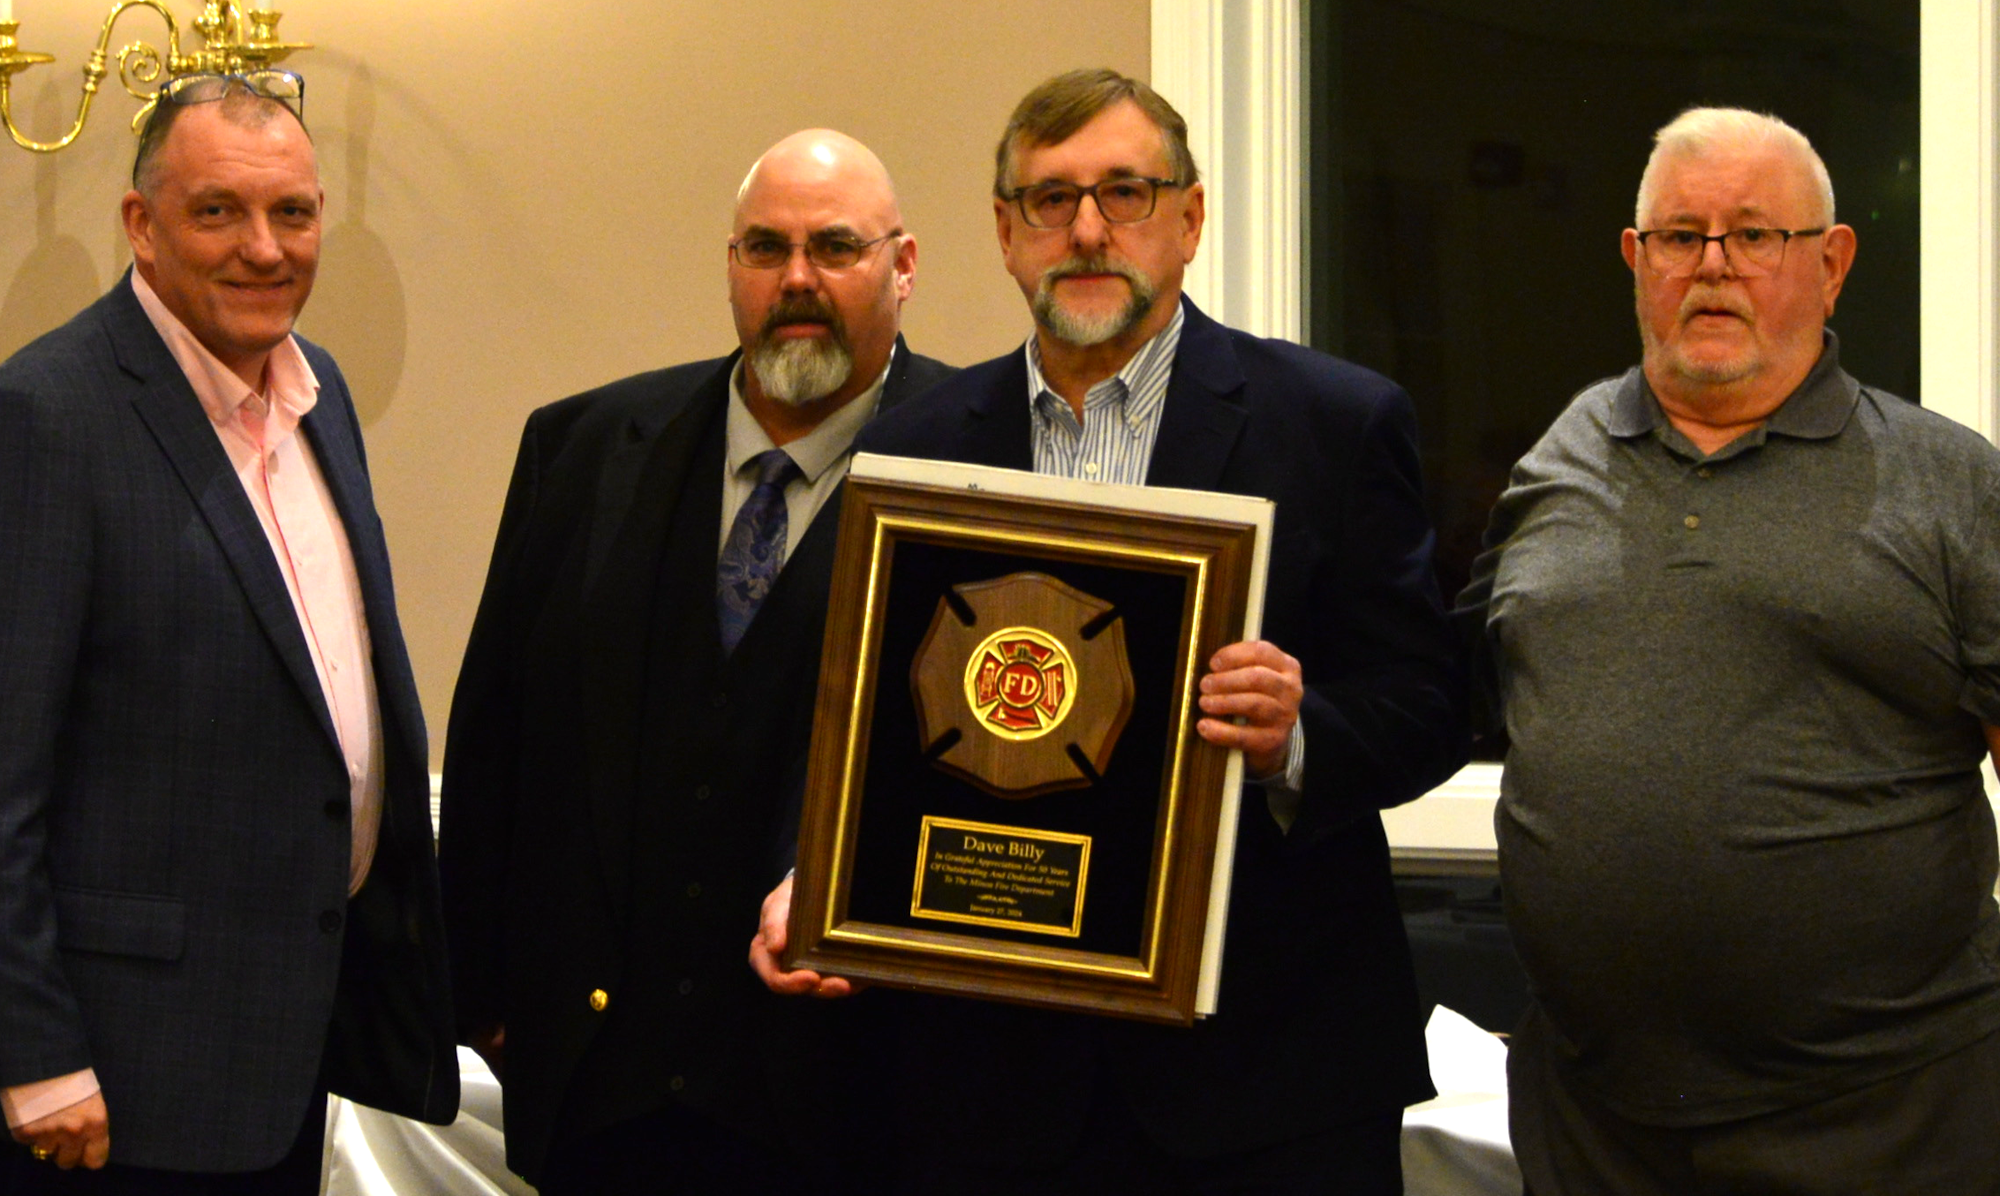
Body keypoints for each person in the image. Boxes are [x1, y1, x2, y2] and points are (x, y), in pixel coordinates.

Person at [752, 70, 1467, 1194]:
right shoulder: (918, 447)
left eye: (1124, 193)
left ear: (1187, 218)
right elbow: (865, 718)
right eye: (1048, 200)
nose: (1086, 230)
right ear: (1002, 233)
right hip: (988, 1092)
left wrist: (1294, 731)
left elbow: (1427, 705)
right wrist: (819, 870)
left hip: (1266, 1088)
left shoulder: (1331, 422)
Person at [1459, 107, 2000, 1194]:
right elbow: (1477, 697)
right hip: (1593, 1117)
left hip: (1888, 1115)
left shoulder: (1944, 480)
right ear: (1633, 259)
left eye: (1753, 235)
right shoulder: (1553, 461)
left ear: (1831, 262)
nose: (1711, 267)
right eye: (1678, 236)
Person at [437, 129, 954, 1194]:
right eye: (766, 248)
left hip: (863, 1098)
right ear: (731, 265)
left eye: (835, 248)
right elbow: (498, 726)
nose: (797, 280)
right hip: (601, 1093)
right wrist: (475, 984)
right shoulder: (583, 445)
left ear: (902, 267)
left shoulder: (977, 460)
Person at [0, 73, 458, 1191]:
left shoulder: (320, 394)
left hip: (283, 1044)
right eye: (218, 212)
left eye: (293, 213)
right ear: (140, 226)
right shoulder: (50, 414)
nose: (265, 248)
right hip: (117, 1077)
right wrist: (38, 1054)